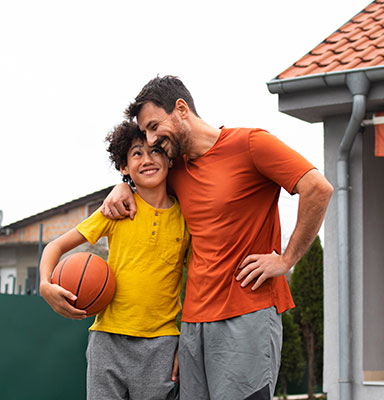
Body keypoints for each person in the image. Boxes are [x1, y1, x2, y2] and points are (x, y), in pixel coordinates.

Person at [102, 75, 333, 400]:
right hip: (195, 324)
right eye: (146, 133)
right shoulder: (175, 169)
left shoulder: (251, 144)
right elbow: (143, 182)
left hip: (248, 314)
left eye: (154, 126)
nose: (151, 139)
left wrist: (286, 259)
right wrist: (122, 185)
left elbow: (318, 189)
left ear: (181, 109)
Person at [40, 120, 190, 400]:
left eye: (156, 151)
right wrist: (44, 284)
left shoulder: (185, 220)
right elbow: (56, 246)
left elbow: (196, 283)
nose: (147, 159)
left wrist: (186, 341)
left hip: (162, 343)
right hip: (107, 339)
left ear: (170, 159)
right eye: (137, 153)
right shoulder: (116, 210)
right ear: (124, 167)